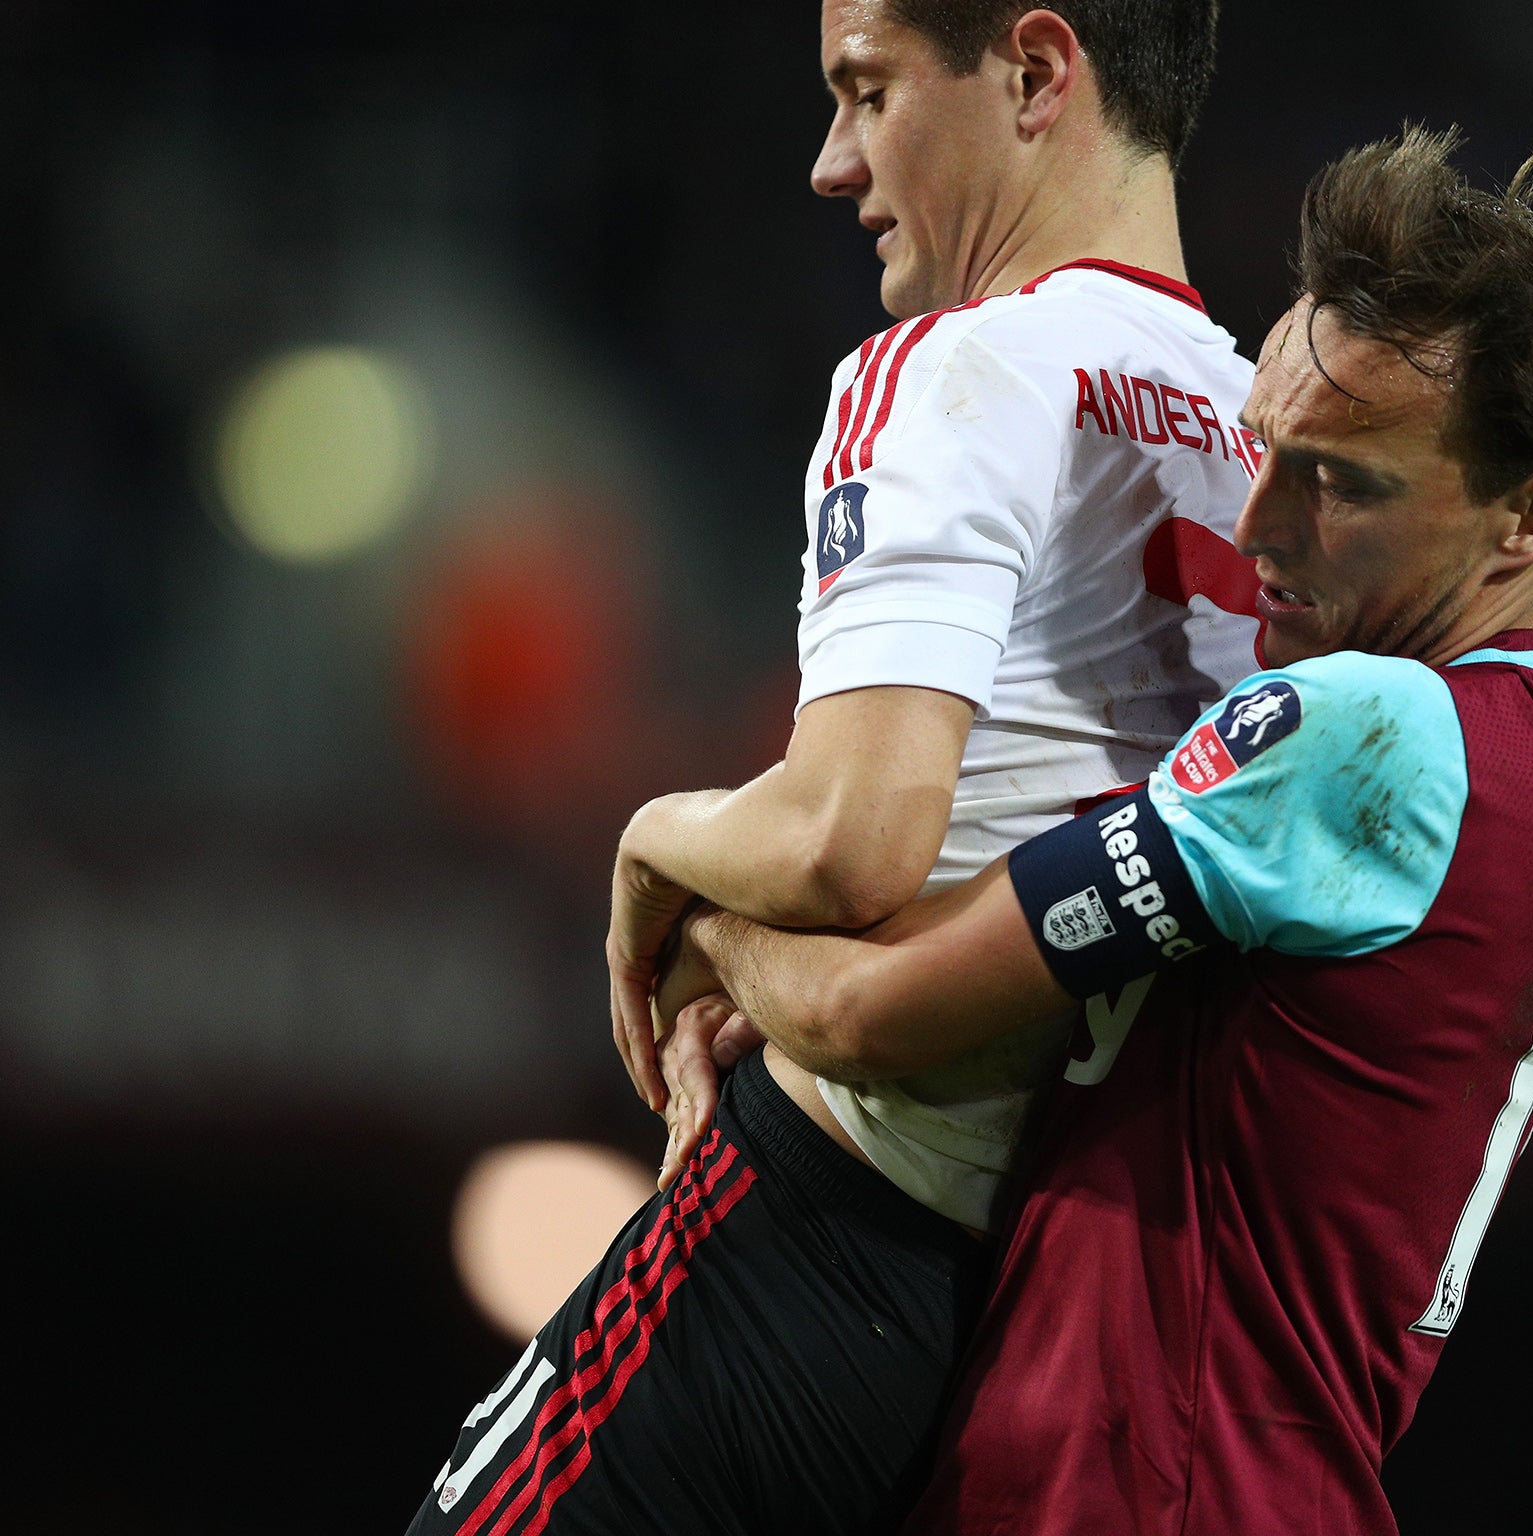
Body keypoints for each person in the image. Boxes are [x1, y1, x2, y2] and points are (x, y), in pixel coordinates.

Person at [652, 124, 1533, 1534]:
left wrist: (702, 913)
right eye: (1267, 449)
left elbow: (874, 1014)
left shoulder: (1370, 735)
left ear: (1528, 519)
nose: (1257, 523)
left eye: (1340, 482)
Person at [408, 2, 1260, 1532]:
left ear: (1035, 72)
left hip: (814, 1238)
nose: (831, 162)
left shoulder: (952, 368)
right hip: (1055, 1315)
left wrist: (656, 843)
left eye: (867, 93)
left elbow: (852, 840)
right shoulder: (1274, 441)